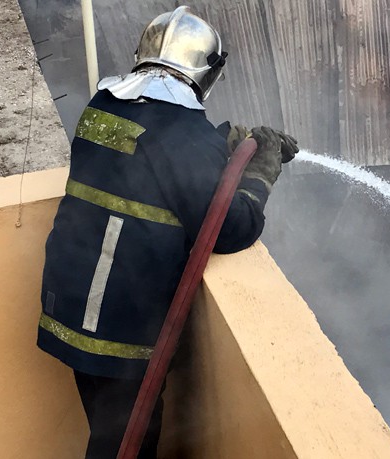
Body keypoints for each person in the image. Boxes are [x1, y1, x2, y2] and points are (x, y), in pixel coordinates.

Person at [35, 6, 297, 458]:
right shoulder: (185, 136)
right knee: (125, 447)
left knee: (108, 434)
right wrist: (259, 174)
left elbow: (151, 157)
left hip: (70, 303)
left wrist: (217, 145)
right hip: (118, 325)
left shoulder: (105, 105)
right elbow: (231, 229)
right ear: (206, 72)